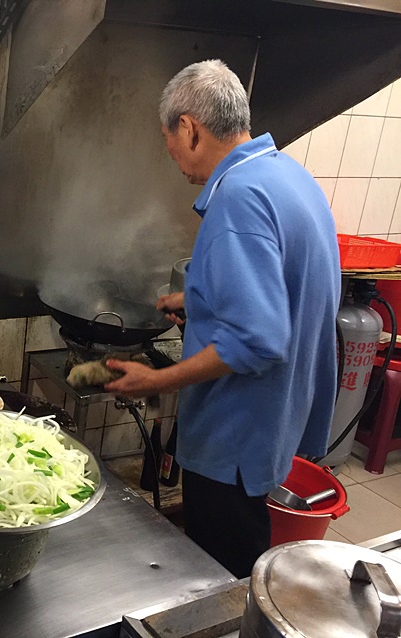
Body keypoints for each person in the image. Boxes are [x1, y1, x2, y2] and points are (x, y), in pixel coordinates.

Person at [104, 59, 341, 578]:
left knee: (222, 573)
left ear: (188, 127)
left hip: (235, 435)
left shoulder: (238, 197)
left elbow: (259, 341)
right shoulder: (287, 175)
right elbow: (287, 285)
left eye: (168, 138)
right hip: (277, 421)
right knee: (242, 551)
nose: (171, 154)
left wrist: (158, 380)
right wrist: (199, 299)